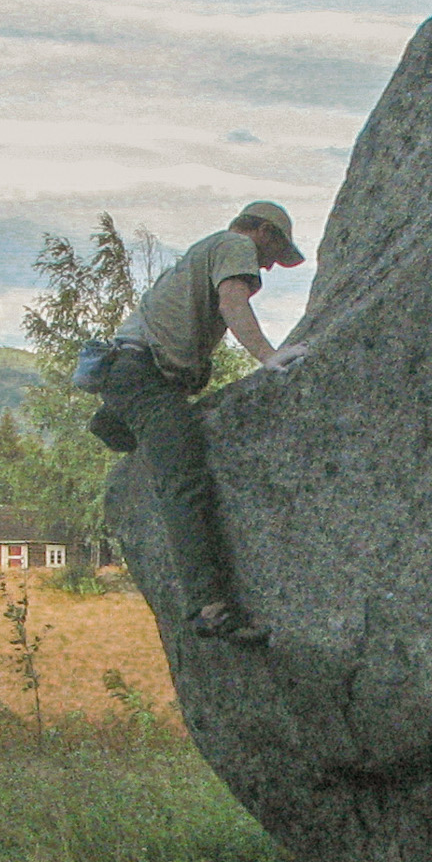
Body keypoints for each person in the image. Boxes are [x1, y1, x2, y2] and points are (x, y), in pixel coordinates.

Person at [91, 198, 309, 644]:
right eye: (272, 255)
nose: (266, 268)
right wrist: (268, 356)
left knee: (172, 428)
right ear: (264, 232)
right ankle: (209, 606)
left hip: (133, 371)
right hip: (144, 375)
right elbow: (233, 301)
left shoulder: (205, 250)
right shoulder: (235, 244)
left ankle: (114, 417)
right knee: (183, 480)